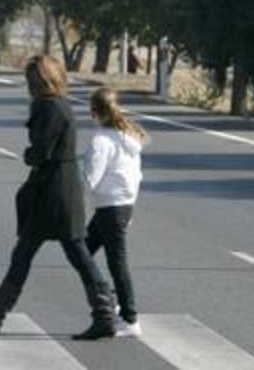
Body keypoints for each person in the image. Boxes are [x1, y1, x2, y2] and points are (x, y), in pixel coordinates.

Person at [0, 55, 117, 341]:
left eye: (30, 80)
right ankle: (104, 313)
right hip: (63, 187)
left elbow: (40, 151)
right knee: (76, 253)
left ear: (39, 81)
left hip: (51, 190)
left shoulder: (48, 107)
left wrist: (29, 155)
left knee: (29, 254)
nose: (27, 86)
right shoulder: (62, 105)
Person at [82, 88, 149, 337]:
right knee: (83, 252)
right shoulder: (127, 138)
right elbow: (136, 176)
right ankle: (110, 299)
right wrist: (129, 208)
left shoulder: (102, 141)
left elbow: (90, 178)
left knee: (115, 262)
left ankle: (129, 317)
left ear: (94, 112)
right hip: (120, 205)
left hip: (111, 207)